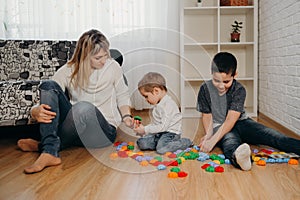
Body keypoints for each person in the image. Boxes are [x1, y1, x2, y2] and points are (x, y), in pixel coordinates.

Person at [17, 29, 133, 174]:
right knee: (48, 86)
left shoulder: (112, 67)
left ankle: (46, 146)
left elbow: (123, 94)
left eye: (105, 55)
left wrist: (127, 116)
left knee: (83, 108)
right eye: (98, 58)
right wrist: (34, 111)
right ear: (84, 56)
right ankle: (50, 151)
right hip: (75, 129)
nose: (104, 61)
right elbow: (49, 94)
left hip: (102, 133)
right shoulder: (69, 70)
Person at [197, 52, 300, 171]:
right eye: (216, 80)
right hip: (220, 126)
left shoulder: (239, 90)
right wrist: (208, 136)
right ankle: (241, 159)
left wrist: (213, 140)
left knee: (273, 136)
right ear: (211, 74)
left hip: (242, 123)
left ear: (235, 75)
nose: (221, 86)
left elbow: (231, 119)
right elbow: (207, 116)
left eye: (226, 82)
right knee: (230, 143)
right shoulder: (205, 89)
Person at [134, 72, 192, 154]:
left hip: (170, 133)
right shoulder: (158, 105)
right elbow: (156, 124)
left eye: (146, 96)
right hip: (160, 133)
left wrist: (145, 129)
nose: (145, 100)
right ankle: (161, 144)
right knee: (142, 143)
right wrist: (143, 130)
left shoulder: (167, 106)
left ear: (156, 91)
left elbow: (163, 127)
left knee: (161, 149)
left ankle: (185, 142)